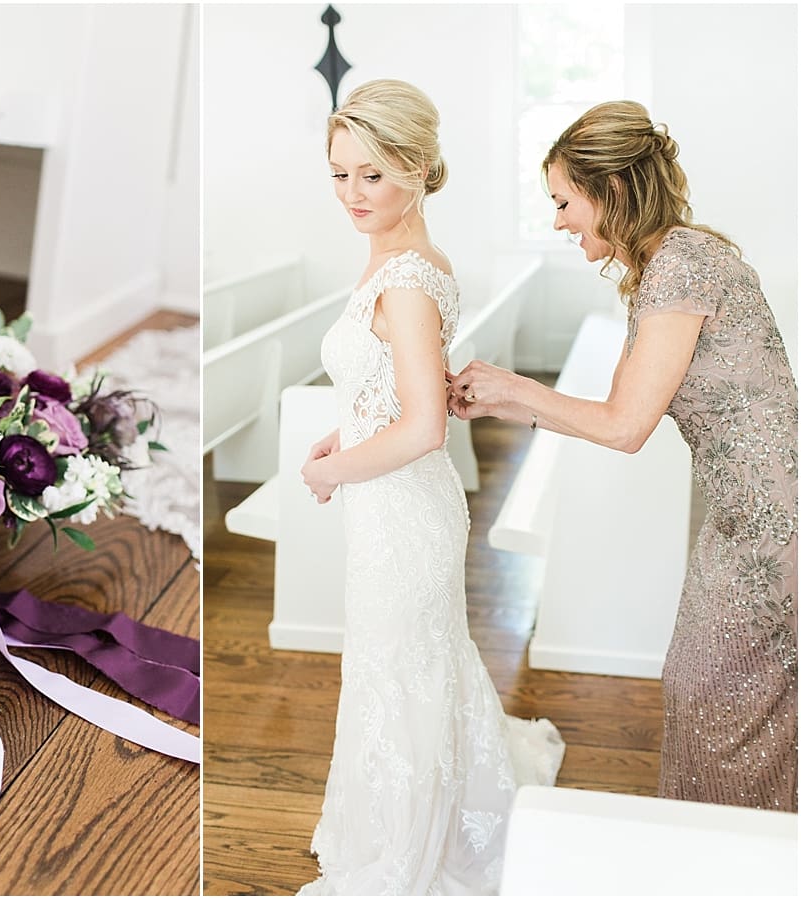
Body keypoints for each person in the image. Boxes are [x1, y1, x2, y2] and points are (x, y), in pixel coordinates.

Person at [449, 100, 797, 812]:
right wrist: (500, 400)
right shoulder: (662, 267)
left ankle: (730, 850)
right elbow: (613, 405)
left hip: (774, 522)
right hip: (738, 515)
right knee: (725, 694)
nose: (557, 221)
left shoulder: (685, 265)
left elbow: (624, 426)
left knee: (715, 694)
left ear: (607, 192)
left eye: (563, 201)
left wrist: (516, 387)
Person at [298, 79, 565, 896]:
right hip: (394, 508)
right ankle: (408, 809)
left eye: (371, 174)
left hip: (404, 515)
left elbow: (423, 428)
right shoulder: (402, 257)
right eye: (340, 174)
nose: (352, 194)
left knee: (402, 669)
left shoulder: (407, 278)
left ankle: (414, 850)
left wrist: (329, 470)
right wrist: (351, 427)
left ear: (416, 166)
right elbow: (395, 391)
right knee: (405, 666)